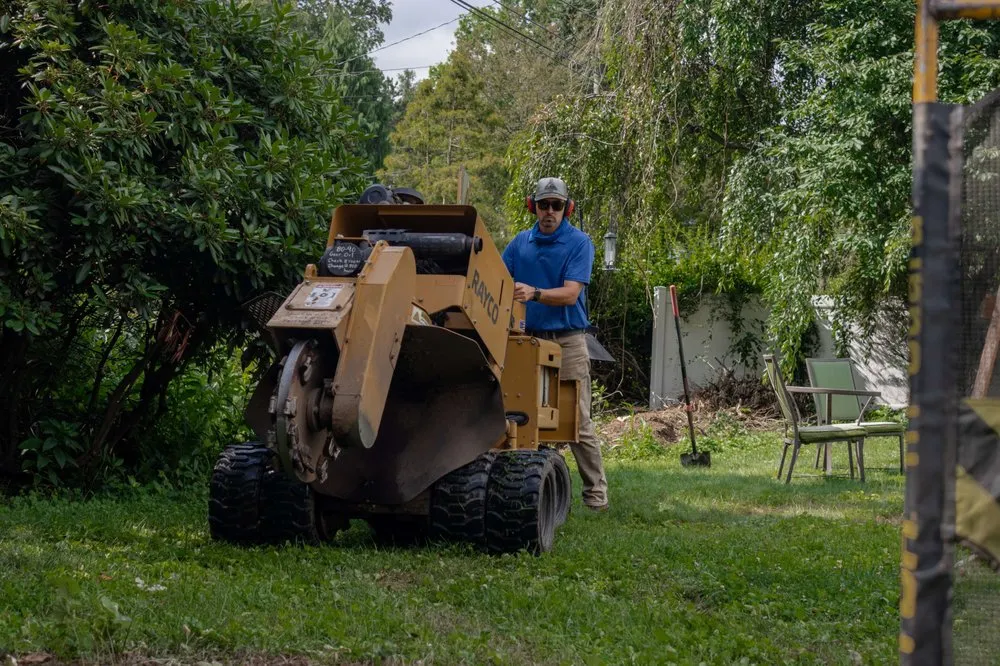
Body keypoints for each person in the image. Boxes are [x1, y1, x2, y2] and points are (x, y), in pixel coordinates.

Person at [501, 176, 609, 512]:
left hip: (568, 341)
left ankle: (596, 495)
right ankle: (521, 490)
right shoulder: (519, 245)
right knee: (521, 417)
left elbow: (570, 293)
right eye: (543, 205)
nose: (550, 211)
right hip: (527, 342)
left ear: (567, 208)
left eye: (557, 205)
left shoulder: (579, 243)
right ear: (532, 206)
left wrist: (533, 292)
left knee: (577, 422)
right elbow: (500, 285)